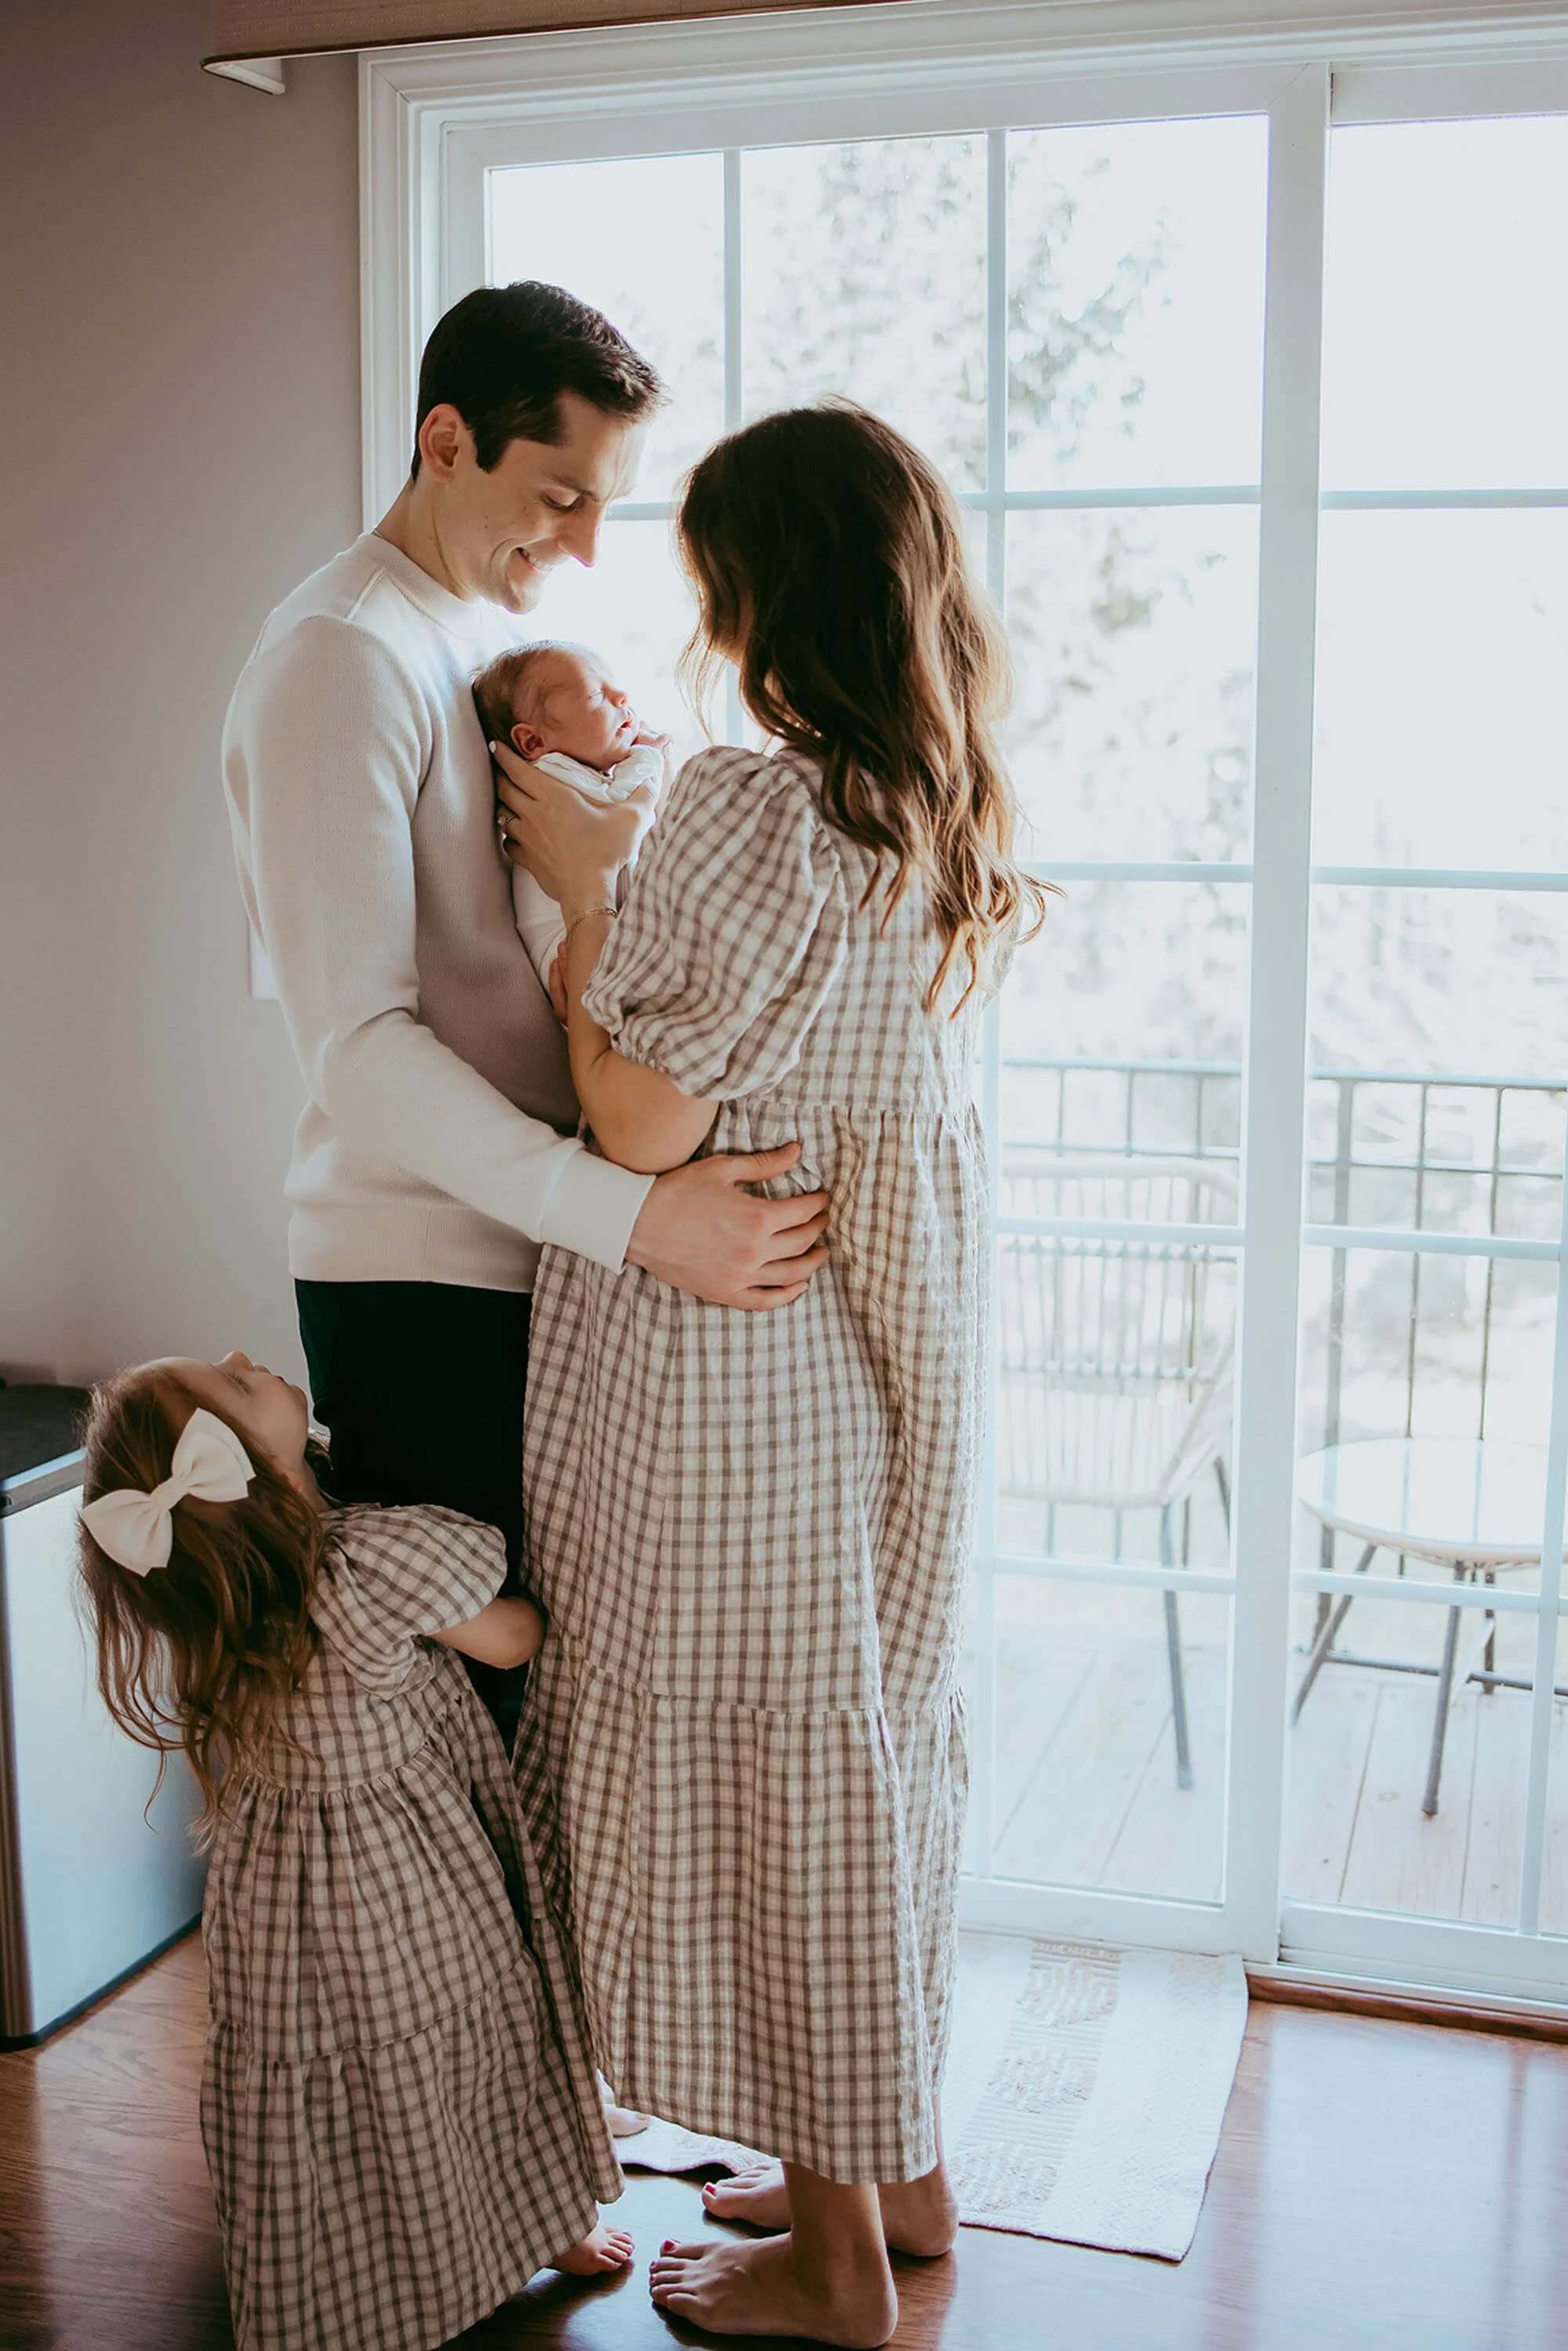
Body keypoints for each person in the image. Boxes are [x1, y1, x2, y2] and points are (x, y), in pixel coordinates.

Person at [496, 401, 1047, 2348]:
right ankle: (890, 2180)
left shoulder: (749, 800)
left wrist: (576, 900)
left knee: (772, 1791)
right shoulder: (921, 805)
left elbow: (639, 1117)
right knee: (855, 1764)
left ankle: (826, 2273)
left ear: (759, 586)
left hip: (735, 1374)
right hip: (867, 1367)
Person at [220, 281, 829, 1619]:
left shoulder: (503, 640)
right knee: (465, 1727)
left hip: (544, 1243)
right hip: (427, 1273)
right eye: (562, 498)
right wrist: (643, 1220)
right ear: (447, 442)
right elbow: (359, 1045)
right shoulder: (338, 657)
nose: (589, 546)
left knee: (551, 1710)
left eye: (606, 502)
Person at [76, 1348, 633, 2351]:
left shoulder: (222, 1602)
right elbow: (511, 1636)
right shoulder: (361, 1565)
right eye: (236, 1382)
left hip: (281, 1902)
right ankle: (526, 2227)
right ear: (246, 1464)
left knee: (344, 2094)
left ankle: (359, 2280)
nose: (246, 1357)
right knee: (465, 2047)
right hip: (402, 1877)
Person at [472, 639, 666, 991]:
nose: (621, 696)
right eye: (595, 695)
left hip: (585, 937)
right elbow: (620, 802)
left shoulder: (569, 775)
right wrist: (649, 756)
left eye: (613, 685)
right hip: (565, 951)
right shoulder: (551, 773)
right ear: (533, 743)